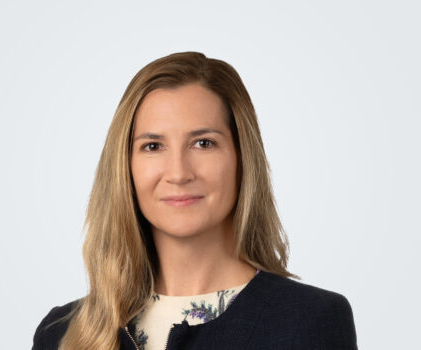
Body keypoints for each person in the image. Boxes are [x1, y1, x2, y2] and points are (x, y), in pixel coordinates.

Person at [32, 51, 358, 350]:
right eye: (153, 146)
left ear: (243, 158)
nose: (178, 173)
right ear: (124, 166)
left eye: (203, 143)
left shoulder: (309, 320)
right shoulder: (60, 333)